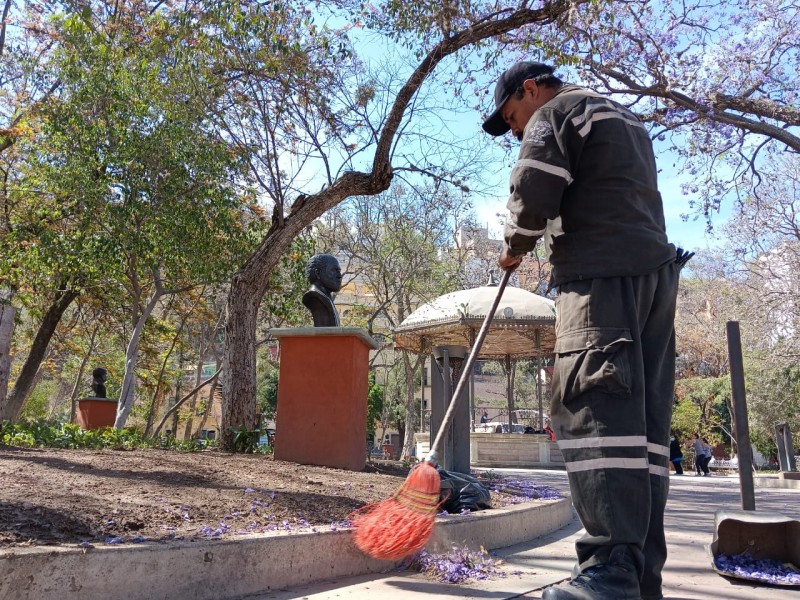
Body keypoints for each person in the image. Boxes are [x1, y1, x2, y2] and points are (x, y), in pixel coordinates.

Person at [484, 61, 687, 600]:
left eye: (511, 118)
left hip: (599, 282)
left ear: (530, 90)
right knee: (642, 431)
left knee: (594, 411)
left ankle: (607, 572)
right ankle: (640, 577)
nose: (515, 132)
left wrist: (513, 246)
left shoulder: (556, 112)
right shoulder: (624, 119)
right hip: (654, 281)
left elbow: (534, 190)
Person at [302, 253, 343, 327]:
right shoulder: (314, 296)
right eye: (334, 270)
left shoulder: (327, 298)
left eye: (339, 271)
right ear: (318, 273)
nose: (340, 276)